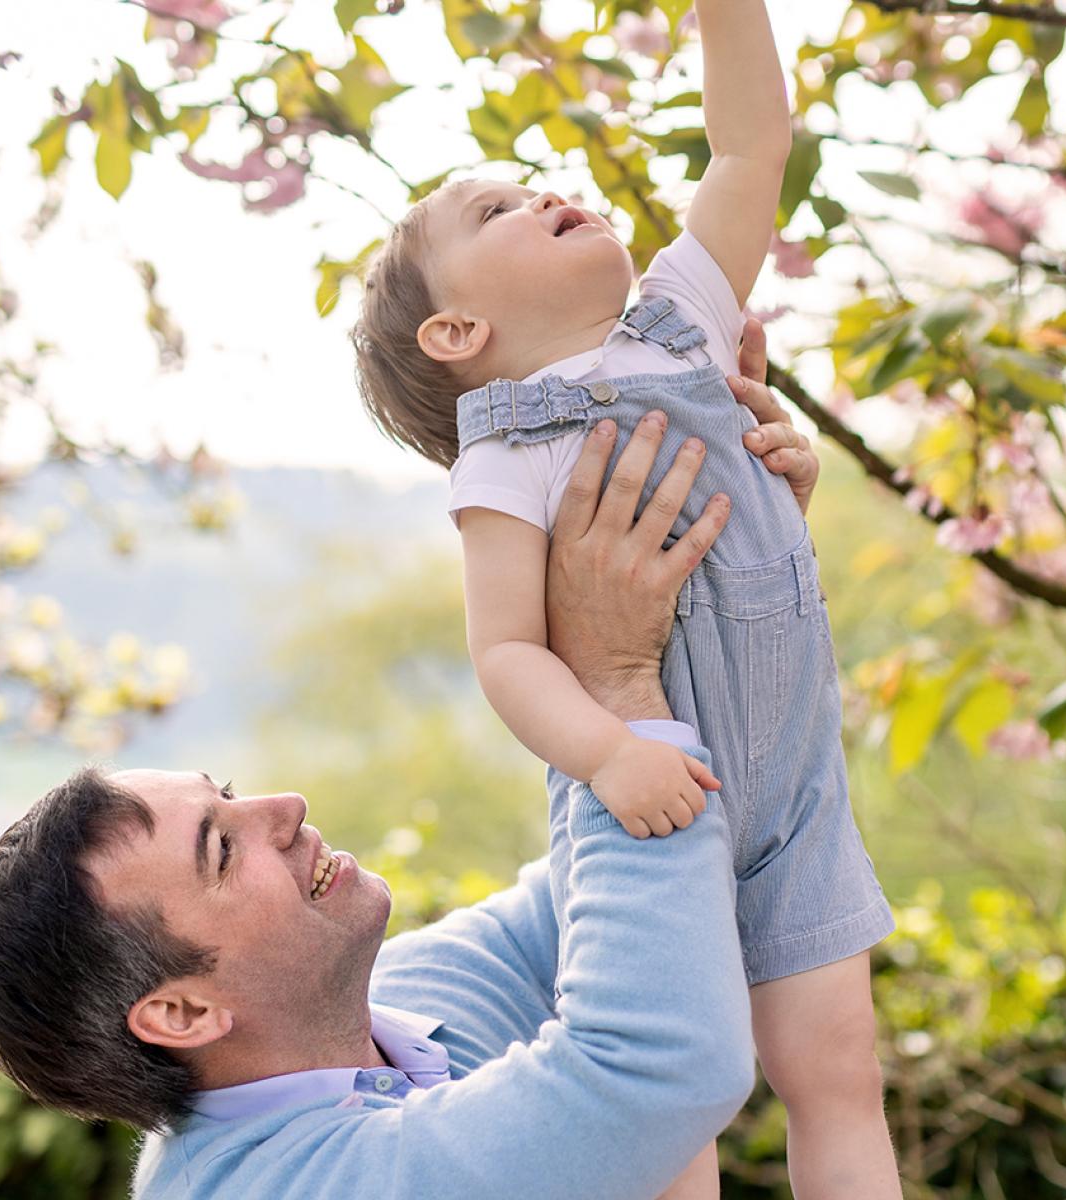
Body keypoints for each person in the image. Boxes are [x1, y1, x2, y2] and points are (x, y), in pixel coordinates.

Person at [0, 342, 839, 1198]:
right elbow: (656, 1069)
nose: (283, 806)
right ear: (182, 1014)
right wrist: (607, 681)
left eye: (226, 795)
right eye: (221, 849)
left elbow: (654, 880)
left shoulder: (403, 1006)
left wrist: (726, 567)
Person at [350, 2, 899, 1195]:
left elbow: (752, 148)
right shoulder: (507, 452)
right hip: (645, 798)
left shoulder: (681, 327)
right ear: (458, 330)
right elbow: (506, 653)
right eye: (493, 210)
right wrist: (608, 754)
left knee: (838, 1071)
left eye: (525, 181)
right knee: (667, 1103)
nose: (541, 188)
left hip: (795, 790)